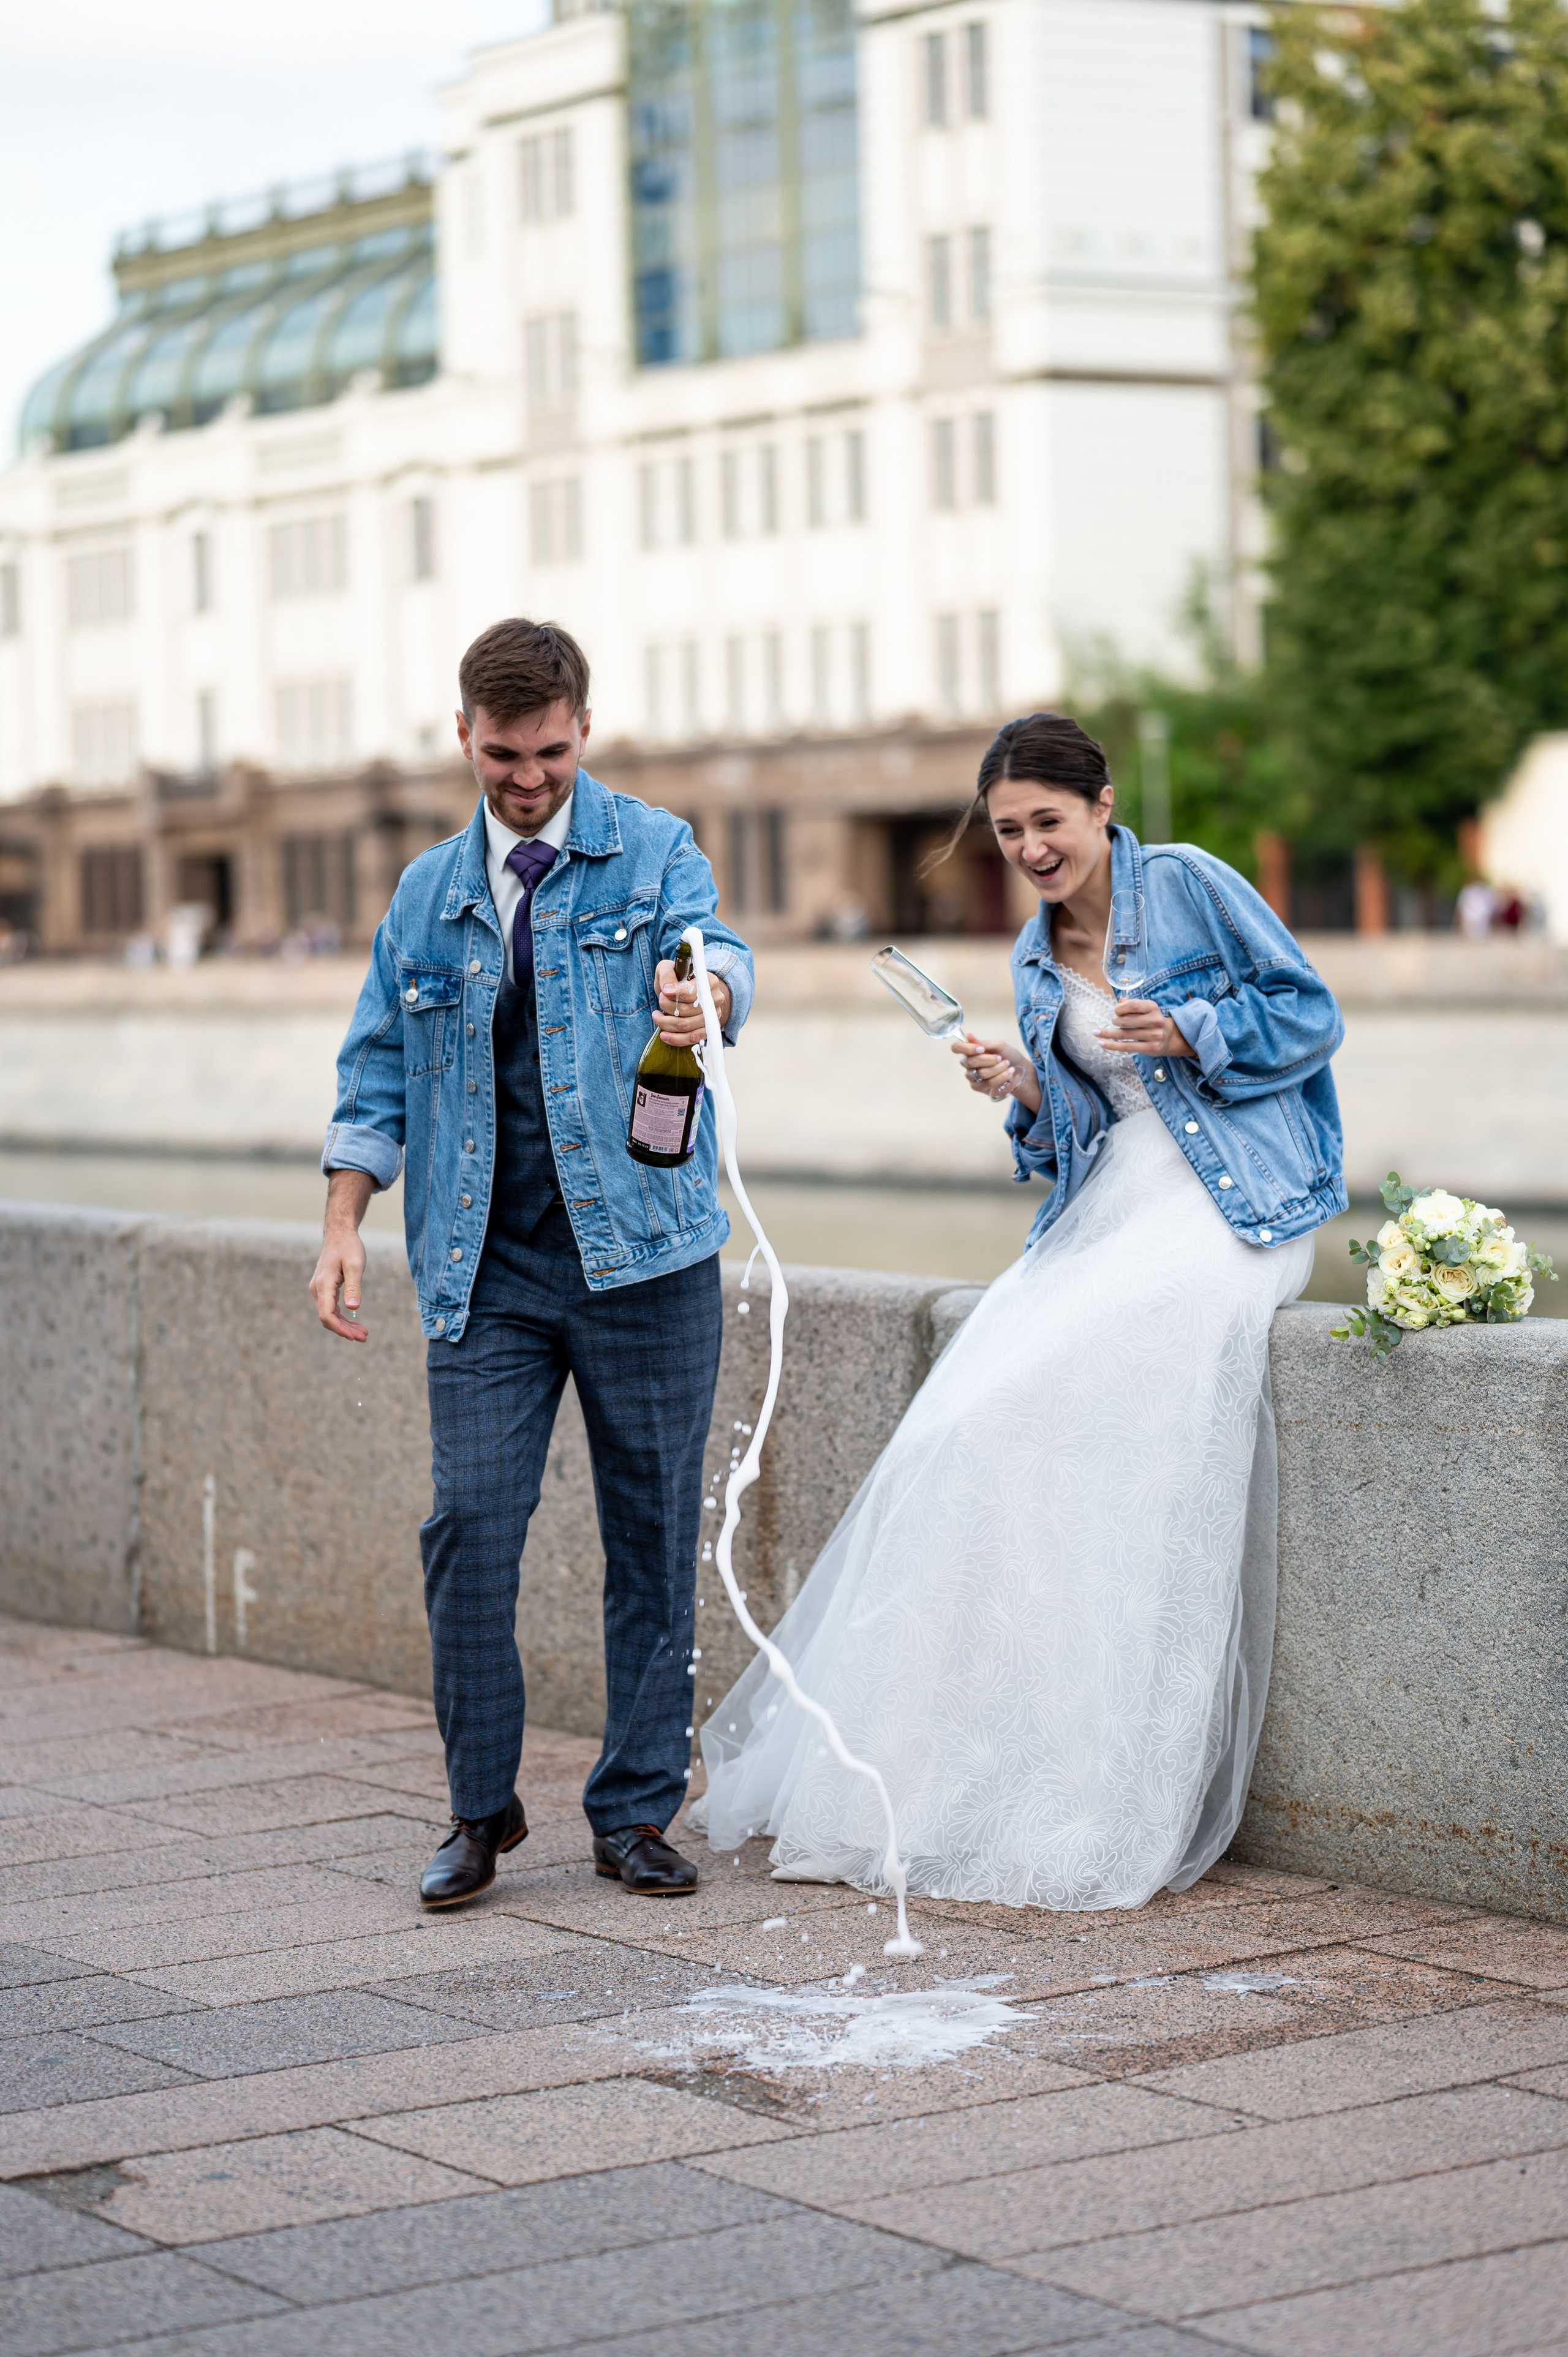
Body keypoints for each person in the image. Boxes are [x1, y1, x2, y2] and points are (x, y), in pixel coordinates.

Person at [696, 712, 1345, 1912]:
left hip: (1230, 1205)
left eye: (1046, 821)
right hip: (1109, 1208)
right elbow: (1071, 1141)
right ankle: (961, 1768)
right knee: (965, 1428)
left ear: (1100, 806)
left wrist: (1193, 1027)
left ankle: (1098, 1786)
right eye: (1007, 832)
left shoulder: (1191, 884)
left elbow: (1310, 1016)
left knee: (1089, 1396)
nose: (1031, 848)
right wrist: (1028, 1087)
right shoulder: (1031, 957)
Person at [309, 619, 753, 1907]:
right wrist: (343, 1224)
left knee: (652, 1537)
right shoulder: (423, 894)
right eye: (501, 753)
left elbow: (714, 948)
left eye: (549, 751)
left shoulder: (654, 848)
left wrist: (706, 998)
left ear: (583, 730)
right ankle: (477, 1809)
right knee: (467, 1526)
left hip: (646, 1258)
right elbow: (375, 1067)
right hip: (482, 1268)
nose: (525, 778)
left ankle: (631, 1813)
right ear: (463, 735)